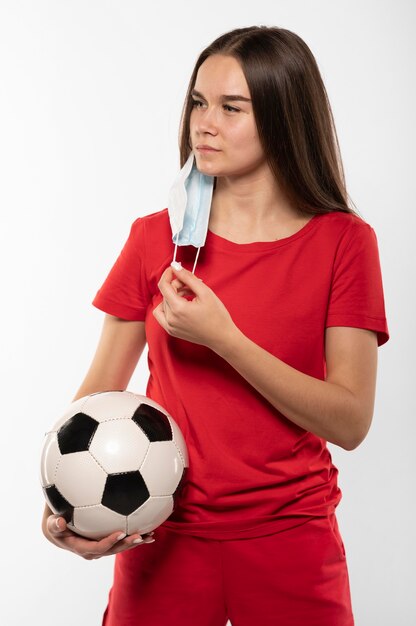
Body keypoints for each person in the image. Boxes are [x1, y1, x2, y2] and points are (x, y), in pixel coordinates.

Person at [42, 25, 390, 626]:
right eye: (200, 102)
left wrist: (224, 339)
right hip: (162, 537)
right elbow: (98, 393)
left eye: (232, 108)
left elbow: (351, 420)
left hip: (292, 540)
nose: (204, 122)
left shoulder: (344, 243)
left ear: (284, 117)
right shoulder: (155, 240)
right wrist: (62, 502)